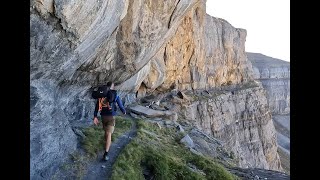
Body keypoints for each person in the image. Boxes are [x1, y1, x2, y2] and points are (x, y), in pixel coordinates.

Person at [93, 82, 126, 161]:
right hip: (111, 116)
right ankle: (106, 153)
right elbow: (120, 105)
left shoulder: (101, 95)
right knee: (109, 134)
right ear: (112, 86)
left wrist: (95, 116)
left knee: (106, 133)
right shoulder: (114, 94)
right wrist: (124, 111)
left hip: (103, 116)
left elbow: (97, 106)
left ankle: (106, 146)